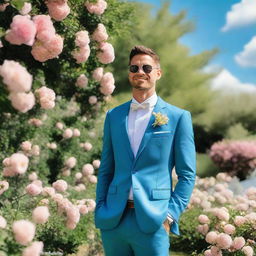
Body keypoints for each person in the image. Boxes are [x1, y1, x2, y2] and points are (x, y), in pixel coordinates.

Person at [94, 45, 196, 256]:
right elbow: (106, 168)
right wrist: (101, 207)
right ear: (129, 73)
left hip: (154, 220)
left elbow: (187, 175)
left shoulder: (178, 117)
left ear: (158, 73)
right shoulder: (114, 116)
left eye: (147, 68)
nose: (140, 71)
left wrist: (169, 215)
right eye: (134, 67)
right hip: (113, 220)